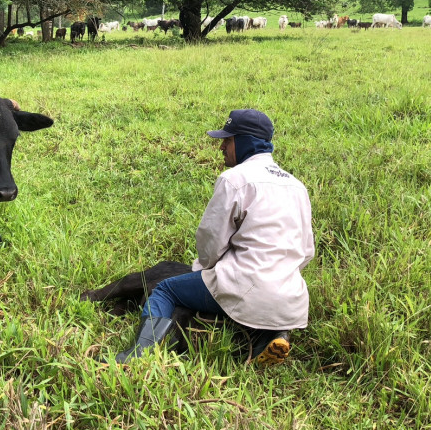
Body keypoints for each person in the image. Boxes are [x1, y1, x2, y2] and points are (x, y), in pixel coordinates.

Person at [111, 109, 315, 365]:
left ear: (244, 142)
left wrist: (206, 269)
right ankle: (269, 336)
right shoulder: (296, 186)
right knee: (254, 303)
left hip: (245, 286)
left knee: (165, 289)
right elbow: (307, 251)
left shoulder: (234, 179)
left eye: (227, 141)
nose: (221, 147)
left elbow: (211, 241)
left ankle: (138, 353)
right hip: (290, 300)